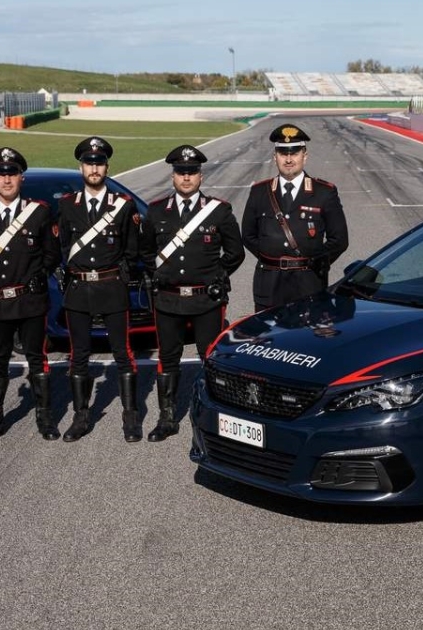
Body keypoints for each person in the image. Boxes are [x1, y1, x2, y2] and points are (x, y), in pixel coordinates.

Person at [143, 145, 244, 442]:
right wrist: (161, 276)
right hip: (169, 299)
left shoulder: (219, 210)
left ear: (200, 176)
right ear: (173, 176)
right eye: (181, 172)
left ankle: (215, 417)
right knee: (168, 357)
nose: (186, 178)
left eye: (191, 172)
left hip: (205, 300)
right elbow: (144, 252)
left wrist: (216, 276)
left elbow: (235, 252)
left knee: (209, 357)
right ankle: (167, 418)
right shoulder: (156, 211)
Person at [0, 147, 63, 443]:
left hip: (30, 301)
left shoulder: (40, 212)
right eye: (1, 174)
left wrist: (32, 279)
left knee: (37, 357)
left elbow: (52, 254)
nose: (7, 180)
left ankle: (45, 417)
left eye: (13, 174)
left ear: (21, 178)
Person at [56, 136, 144, 443]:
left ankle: (131, 416)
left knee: (123, 353)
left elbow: (131, 250)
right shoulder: (66, 206)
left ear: (107, 167)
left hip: (111, 288)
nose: (94, 169)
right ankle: (81, 416)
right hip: (79, 289)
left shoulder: (123, 205)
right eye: (89, 163)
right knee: (79, 355)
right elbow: (63, 246)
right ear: (81, 167)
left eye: (99, 163)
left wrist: (119, 277)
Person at [242, 123, 349, 312]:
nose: (289, 159)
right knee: (268, 331)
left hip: (308, 284)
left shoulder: (324, 192)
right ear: (275, 157)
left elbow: (339, 240)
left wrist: (315, 263)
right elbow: (248, 235)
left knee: (307, 331)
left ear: (304, 156)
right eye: (283, 154)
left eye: (294, 153)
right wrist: (271, 258)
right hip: (269, 285)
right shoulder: (259, 192)